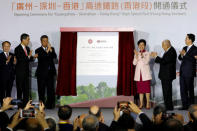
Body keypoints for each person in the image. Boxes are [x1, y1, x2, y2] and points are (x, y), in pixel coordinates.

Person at [151, 40, 177, 110]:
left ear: (167, 45)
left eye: (163, 45)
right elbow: (162, 60)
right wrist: (156, 57)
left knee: (167, 92)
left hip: (167, 75)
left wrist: (156, 56)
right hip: (166, 75)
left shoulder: (171, 51)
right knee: (166, 92)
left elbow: (164, 61)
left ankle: (169, 107)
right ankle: (168, 106)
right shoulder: (168, 50)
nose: (162, 47)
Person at [14, 33, 38, 106]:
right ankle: (19, 107)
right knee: (19, 90)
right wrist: (29, 55)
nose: (28, 41)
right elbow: (21, 59)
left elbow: (28, 59)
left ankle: (26, 106)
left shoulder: (27, 48)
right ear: (23, 40)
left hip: (26, 73)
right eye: (28, 39)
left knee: (26, 90)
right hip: (19, 73)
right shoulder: (17, 49)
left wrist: (33, 57)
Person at [35, 35, 57, 109]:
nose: (46, 42)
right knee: (41, 91)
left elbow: (54, 57)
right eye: (44, 41)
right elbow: (42, 58)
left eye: (47, 41)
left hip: (50, 73)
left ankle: (50, 105)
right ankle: (42, 106)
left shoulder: (51, 49)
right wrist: (47, 51)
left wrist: (50, 50)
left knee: (50, 90)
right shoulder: (37, 50)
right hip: (41, 74)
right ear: (41, 41)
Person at [178, 34, 197, 110]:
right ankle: (184, 106)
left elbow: (193, 60)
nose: (185, 40)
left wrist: (185, 54)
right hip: (182, 72)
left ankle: (191, 107)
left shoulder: (195, 49)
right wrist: (182, 55)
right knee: (183, 90)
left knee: (190, 89)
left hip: (189, 72)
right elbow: (180, 57)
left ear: (190, 40)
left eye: (186, 38)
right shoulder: (184, 47)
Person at [133, 39, 152, 109]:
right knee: (140, 91)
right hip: (139, 75)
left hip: (145, 75)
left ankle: (147, 103)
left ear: (145, 46)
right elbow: (134, 63)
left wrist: (142, 55)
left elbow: (146, 62)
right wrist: (136, 55)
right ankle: (141, 104)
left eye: (143, 45)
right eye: (140, 45)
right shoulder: (136, 54)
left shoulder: (147, 53)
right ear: (138, 46)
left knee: (147, 90)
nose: (141, 46)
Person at [0, 41, 16, 105]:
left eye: (8, 46)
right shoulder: (0, 55)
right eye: (5, 46)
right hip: (2, 77)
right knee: (2, 91)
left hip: (10, 76)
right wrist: (6, 61)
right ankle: (3, 104)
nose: (6, 48)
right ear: (2, 47)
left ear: (9, 47)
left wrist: (15, 62)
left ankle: (8, 105)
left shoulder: (12, 55)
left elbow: (14, 65)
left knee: (9, 91)